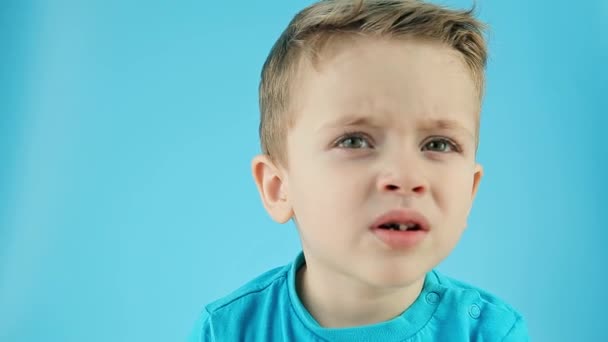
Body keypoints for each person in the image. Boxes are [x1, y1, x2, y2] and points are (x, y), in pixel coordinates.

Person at [190, 0, 529, 340]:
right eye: (354, 141)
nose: (405, 176)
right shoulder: (227, 331)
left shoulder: (489, 333)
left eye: (438, 144)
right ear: (279, 187)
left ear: (469, 193)